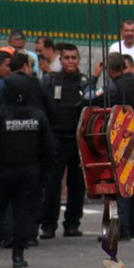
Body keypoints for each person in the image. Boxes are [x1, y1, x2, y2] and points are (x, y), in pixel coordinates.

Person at [0, 73, 56, 268]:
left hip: (1, 173)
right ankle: (18, 256)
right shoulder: (38, 117)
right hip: (29, 173)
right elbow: (49, 148)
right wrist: (45, 174)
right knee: (23, 214)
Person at [95, 52, 134, 241]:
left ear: (110, 70)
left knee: (118, 185)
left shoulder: (113, 88)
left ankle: (121, 228)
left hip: (119, 140)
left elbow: (88, 100)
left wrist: (93, 78)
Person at [41, 44, 90, 240]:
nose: (70, 61)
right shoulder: (50, 80)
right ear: (60, 60)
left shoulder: (85, 82)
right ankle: (48, 225)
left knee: (77, 185)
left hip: (78, 141)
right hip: (56, 139)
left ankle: (72, 224)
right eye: (67, 58)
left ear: (79, 60)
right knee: (52, 185)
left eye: (74, 58)